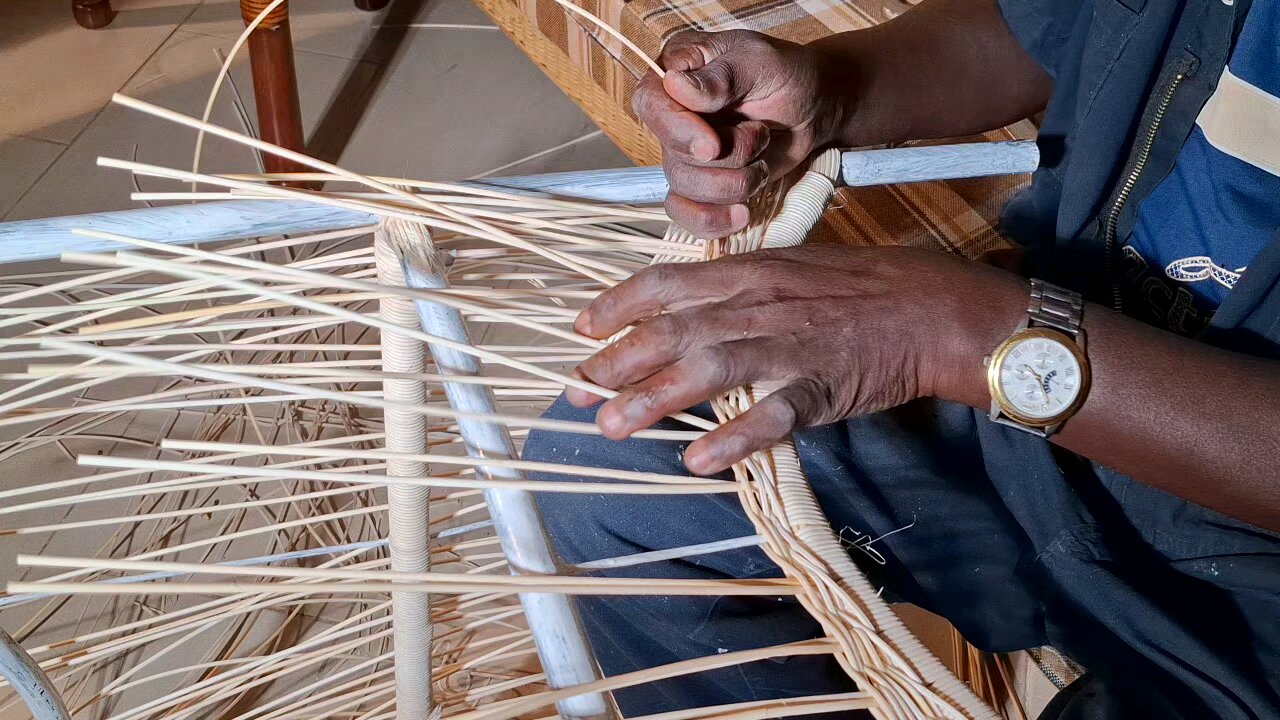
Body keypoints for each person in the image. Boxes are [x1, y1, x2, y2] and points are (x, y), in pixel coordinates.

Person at [523, 0, 1280, 717]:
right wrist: (835, 89)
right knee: (610, 472)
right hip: (1048, 375)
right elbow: (1036, 26)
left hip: (1252, 572)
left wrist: (964, 335)